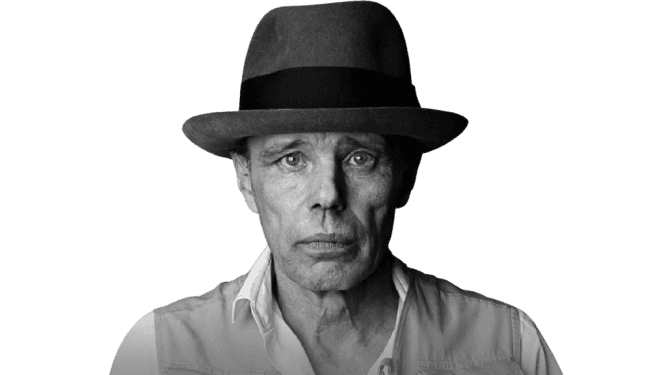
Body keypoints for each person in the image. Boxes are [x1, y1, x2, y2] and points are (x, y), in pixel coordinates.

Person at [111, 2, 563, 374]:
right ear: (245, 179)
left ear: (407, 176)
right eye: (292, 159)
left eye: (360, 158)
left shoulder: (511, 351)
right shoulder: (156, 355)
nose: (328, 194)